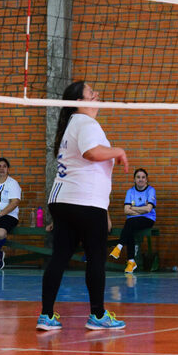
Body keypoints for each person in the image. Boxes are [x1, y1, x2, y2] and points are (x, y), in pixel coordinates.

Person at [37, 80, 129, 331]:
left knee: (60, 257)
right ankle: (98, 315)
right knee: (96, 258)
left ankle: (46, 315)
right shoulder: (86, 123)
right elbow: (91, 153)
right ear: (79, 103)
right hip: (84, 203)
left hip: (64, 201)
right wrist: (118, 151)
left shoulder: (71, 126)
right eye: (91, 92)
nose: (97, 94)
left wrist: (105, 210)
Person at [110, 168, 156, 274]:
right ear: (134, 179)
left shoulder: (150, 190)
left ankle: (119, 246)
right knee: (130, 230)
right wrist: (141, 210)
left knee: (129, 224)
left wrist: (133, 209)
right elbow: (126, 210)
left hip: (148, 219)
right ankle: (131, 262)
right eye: (138, 177)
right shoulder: (130, 191)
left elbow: (149, 209)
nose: (140, 179)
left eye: (143, 177)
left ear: (146, 180)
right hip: (132, 220)